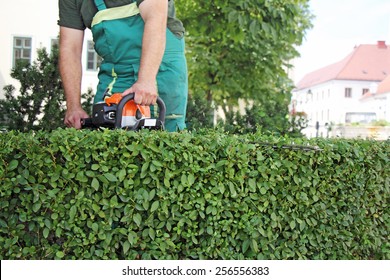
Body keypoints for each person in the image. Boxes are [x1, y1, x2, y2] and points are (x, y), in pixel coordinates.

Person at [58, 0, 188, 132]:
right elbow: (70, 49)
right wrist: (73, 107)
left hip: (160, 66)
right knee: (106, 130)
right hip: (115, 72)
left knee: (166, 134)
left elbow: (155, 19)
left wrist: (146, 81)